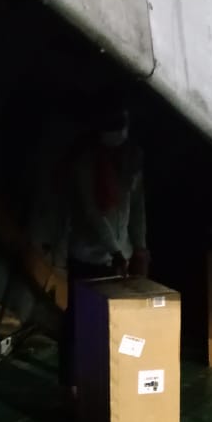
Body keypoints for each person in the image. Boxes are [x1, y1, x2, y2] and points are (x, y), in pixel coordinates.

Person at [59, 106, 148, 391]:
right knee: (79, 322)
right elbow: (92, 213)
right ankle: (72, 384)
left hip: (118, 256)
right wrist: (117, 251)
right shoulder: (86, 162)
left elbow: (136, 209)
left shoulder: (131, 160)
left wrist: (140, 247)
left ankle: (105, 382)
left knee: (112, 324)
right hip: (88, 255)